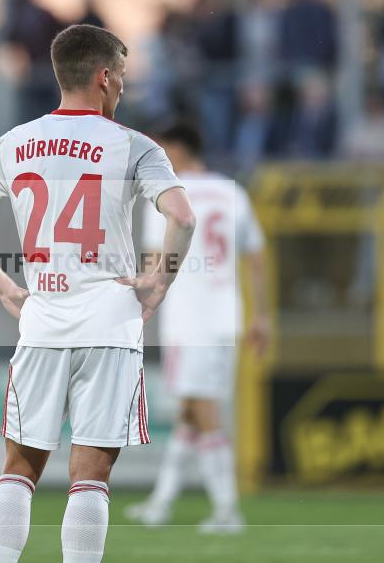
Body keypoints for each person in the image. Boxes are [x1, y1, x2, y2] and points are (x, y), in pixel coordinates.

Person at [0, 24, 195, 563]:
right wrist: (160, 279)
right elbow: (183, 216)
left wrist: (6, 288)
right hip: (110, 324)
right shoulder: (133, 145)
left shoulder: (15, 142)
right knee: (91, 476)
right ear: (104, 78)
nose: (122, 87)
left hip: (43, 321)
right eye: (121, 76)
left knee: (20, 467)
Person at [126, 123, 269, 533]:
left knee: (203, 411)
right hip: (226, 317)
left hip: (190, 320)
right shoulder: (232, 191)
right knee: (190, 411)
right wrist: (261, 315)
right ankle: (162, 502)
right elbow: (256, 257)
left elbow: (156, 261)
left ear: (176, 148)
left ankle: (227, 511)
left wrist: (132, 301)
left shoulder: (167, 194)